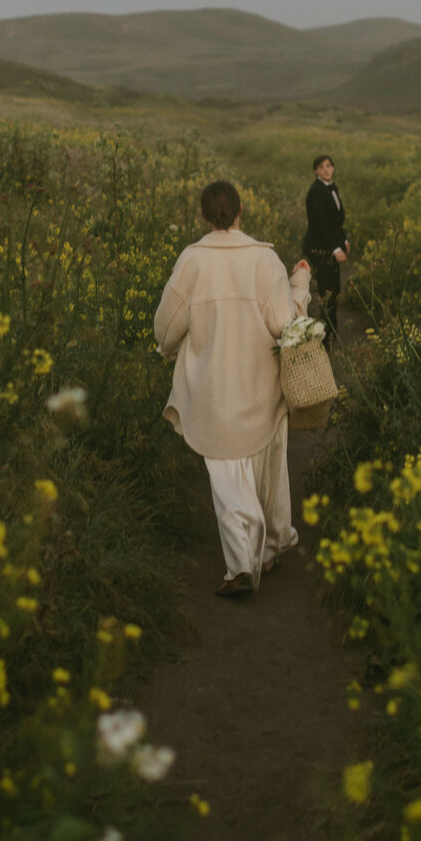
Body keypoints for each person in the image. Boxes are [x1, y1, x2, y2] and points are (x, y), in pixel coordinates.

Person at [154, 180, 312, 599]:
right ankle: (262, 553)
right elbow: (284, 324)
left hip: (212, 390)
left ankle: (249, 560)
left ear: (203, 216)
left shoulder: (192, 260)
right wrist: (300, 286)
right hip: (262, 385)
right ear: (241, 209)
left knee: (226, 474)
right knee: (266, 469)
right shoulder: (265, 259)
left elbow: (166, 328)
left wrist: (168, 348)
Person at [302, 154, 349, 340]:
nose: (326, 169)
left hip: (330, 244)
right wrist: (335, 249)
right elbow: (321, 225)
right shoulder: (315, 192)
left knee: (334, 290)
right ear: (316, 171)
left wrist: (343, 241)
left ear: (333, 168)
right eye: (321, 167)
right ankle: (326, 338)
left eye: (329, 166)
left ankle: (330, 333)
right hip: (319, 249)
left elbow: (336, 221)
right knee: (328, 292)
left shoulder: (332, 187)